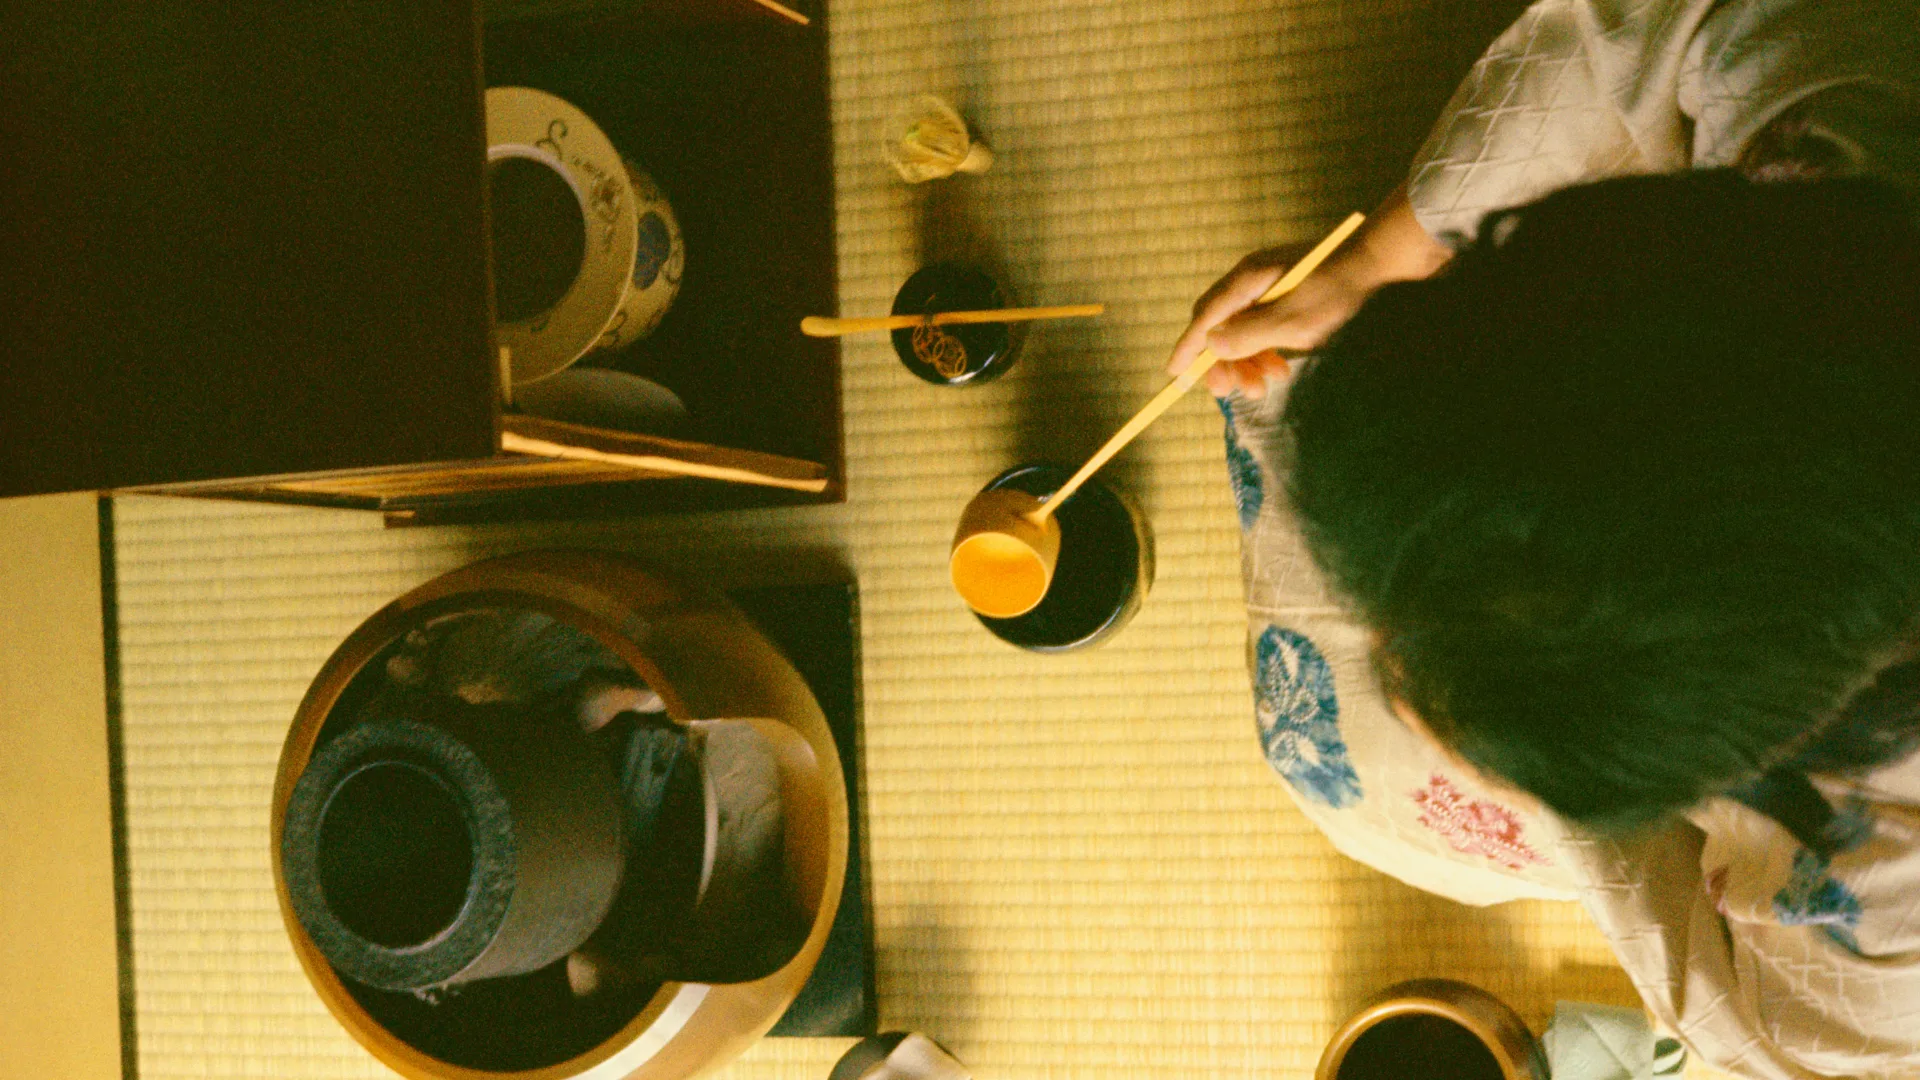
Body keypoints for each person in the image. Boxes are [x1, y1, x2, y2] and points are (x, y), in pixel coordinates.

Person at [1174, 1, 1920, 1076]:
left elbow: (1733, 1019)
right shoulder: (1852, 125)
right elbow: (1663, 22)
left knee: (1334, 777)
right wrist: (1383, 262)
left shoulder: (1885, 979)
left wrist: (1558, 786)